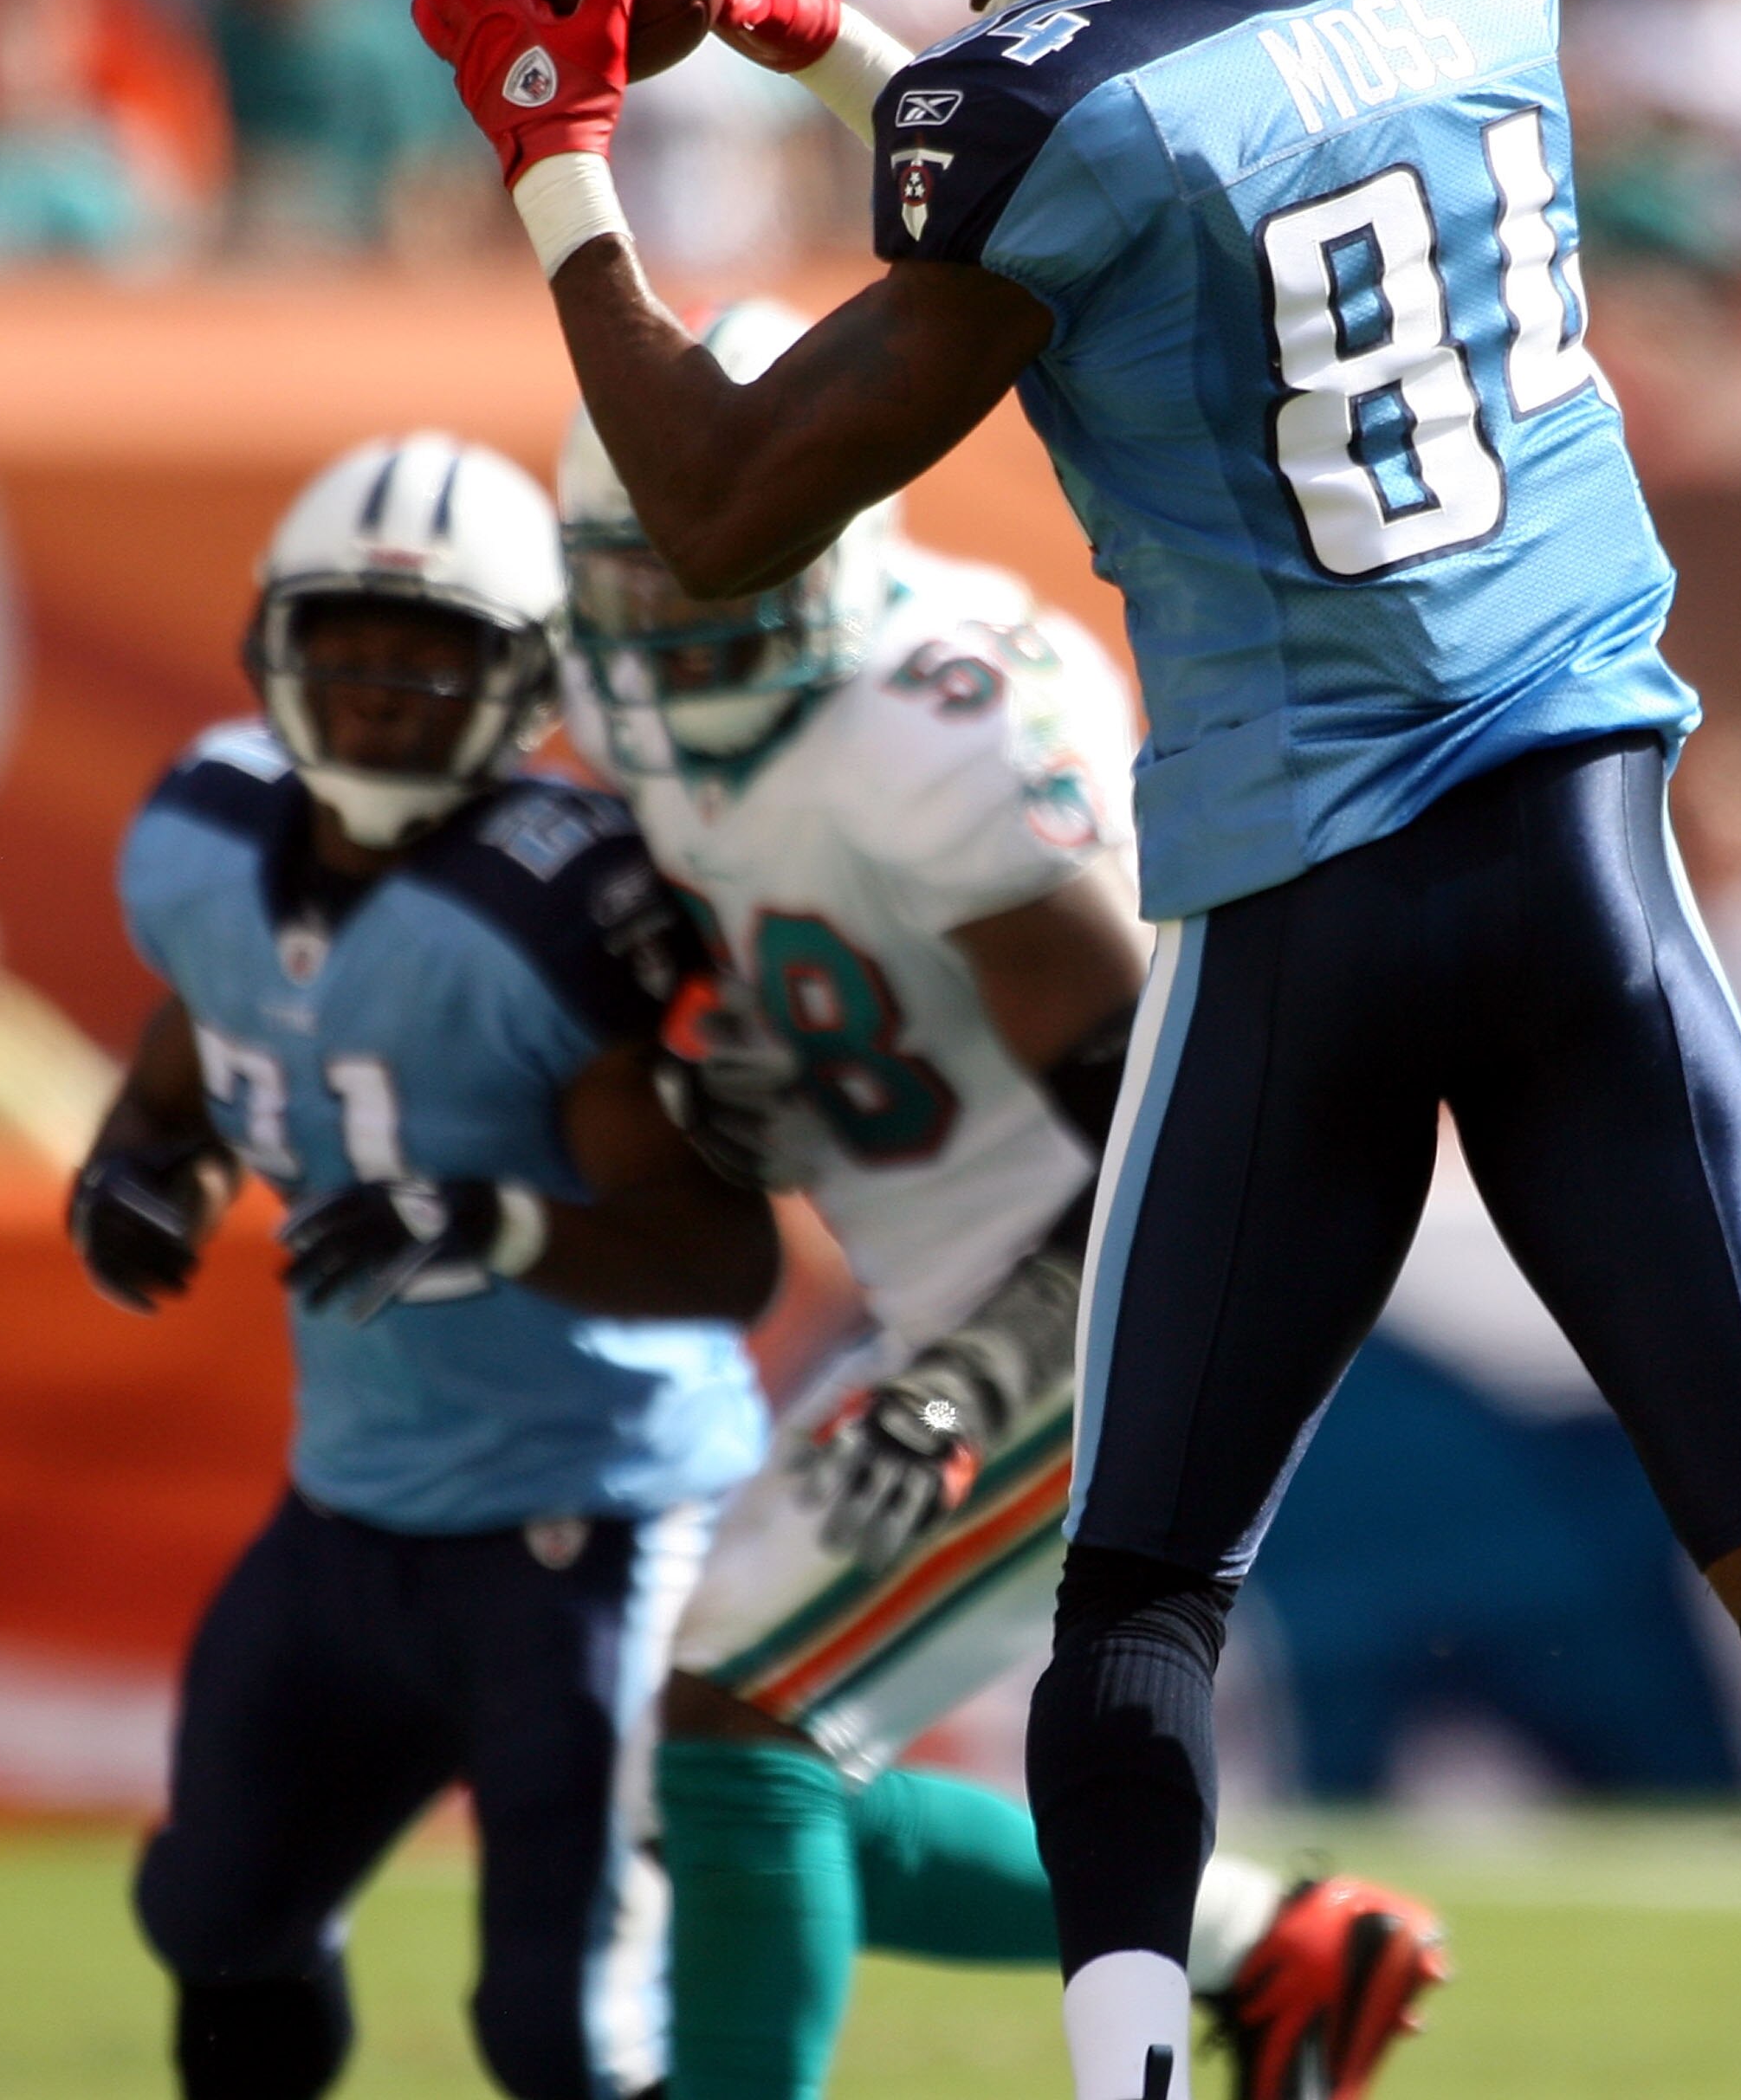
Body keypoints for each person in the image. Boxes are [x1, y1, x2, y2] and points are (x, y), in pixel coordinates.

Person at [411, 0, 1741, 2100]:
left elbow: (733, 499)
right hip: (1590, 872)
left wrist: (561, 167)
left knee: (1147, 1597)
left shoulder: (1053, 122)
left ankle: (1134, 2083)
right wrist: (798, 32)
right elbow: (1160, 160)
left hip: (1310, 900)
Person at [556, 312, 1445, 2100]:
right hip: (954, 1271)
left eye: (716, 556)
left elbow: (1151, 1141)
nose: (681, 608)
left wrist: (965, 1381)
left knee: (742, 1710)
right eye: (637, 576)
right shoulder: (638, 727)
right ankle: (1267, 1951)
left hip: (1128, 1272)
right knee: (701, 1767)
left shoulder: (929, 724)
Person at [70, 432, 780, 2100]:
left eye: (430, 654)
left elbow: (718, 1255)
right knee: (216, 1914)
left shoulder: (551, 912)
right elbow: (202, 1037)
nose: (381, 691)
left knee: (564, 2030)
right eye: (347, 645)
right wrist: (137, 1166)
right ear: (273, 648)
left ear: (521, 678)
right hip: (351, 1510)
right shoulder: (201, 838)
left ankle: (1223, 1929)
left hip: (587, 1526)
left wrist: (491, 1220)